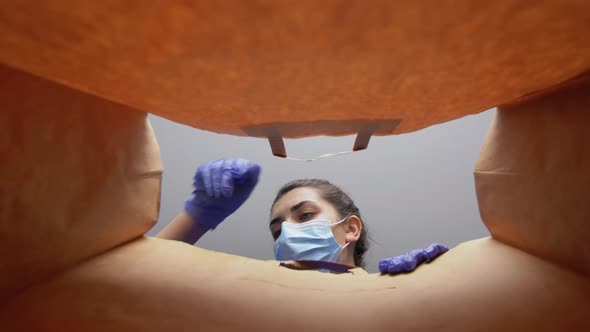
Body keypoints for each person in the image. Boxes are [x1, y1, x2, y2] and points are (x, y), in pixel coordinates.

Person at [157, 157, 446, 274]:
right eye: (277, 231)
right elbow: (124, 289)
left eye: (305, 215)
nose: (288, 232)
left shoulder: (393, 296)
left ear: (351, 229)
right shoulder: (255, 300)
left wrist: (439, 280)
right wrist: (198, 216)